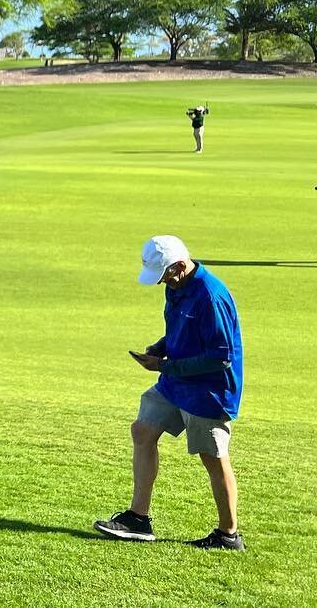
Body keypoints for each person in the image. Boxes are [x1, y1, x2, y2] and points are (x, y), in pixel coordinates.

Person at [94, 235, 245, 551]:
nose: (162, 281)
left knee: (213, 459)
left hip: (209, 390)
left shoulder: (210, 297)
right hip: (176, 381)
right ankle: (138, 518)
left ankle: (228, 536)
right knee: (143, 430)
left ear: (179, 265)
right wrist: (162, 347)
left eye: (164, 274)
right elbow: (182, 329)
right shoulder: (177, 287)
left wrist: (163, 365)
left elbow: (220, 357)